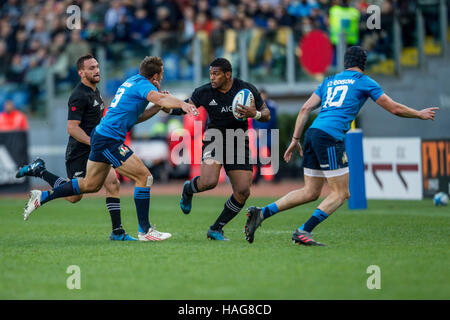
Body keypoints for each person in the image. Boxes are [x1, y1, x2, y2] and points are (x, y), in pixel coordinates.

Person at [244, 46, 438, 246]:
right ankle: (304, 231)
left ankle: (261, 213)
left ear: (345, 63)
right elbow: (394, 109)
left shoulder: (329, 81)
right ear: (364, 64)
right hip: (330, 137)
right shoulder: (364, 81)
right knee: (341, 193)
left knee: (311, 192)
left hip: (312, 132)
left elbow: (305, 108)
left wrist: (295, 139)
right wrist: (419, 114)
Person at [22, 56, 199, 242]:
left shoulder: (132, 81)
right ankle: (145, 231)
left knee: (90, 185)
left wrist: (156, 107)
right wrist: (182, 104)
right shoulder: (143, 86)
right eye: (161, 75)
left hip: (103, 137)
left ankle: (41, 197)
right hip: (108, 140)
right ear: (156, 75)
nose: (161, 79)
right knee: (144, 177)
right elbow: (162, 97)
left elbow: (135, 117)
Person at [16, 54, 135, 241]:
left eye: (97, 66)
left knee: (113, 183)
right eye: (91, 68)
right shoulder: (78, 95)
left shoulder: (95, 91)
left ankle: (117, 232)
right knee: (74, 197)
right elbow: (72, 128)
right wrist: (93, 142)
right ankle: (40, 171)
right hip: (80, 151)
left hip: (96, 147)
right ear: (81, 73)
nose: (96, 70)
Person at [172, 57, 271, 241]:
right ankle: (188, 189)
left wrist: (254, 113)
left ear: (228, 75)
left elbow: (266, 114)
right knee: (209, 182)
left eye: (216, 74)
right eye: (210, 73)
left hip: (239, 140)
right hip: (215, 138)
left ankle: (216, 228)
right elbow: (182, 107)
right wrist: (163, 104)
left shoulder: (246, 89)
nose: (212, 77)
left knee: (243, 191)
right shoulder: (204, 92)